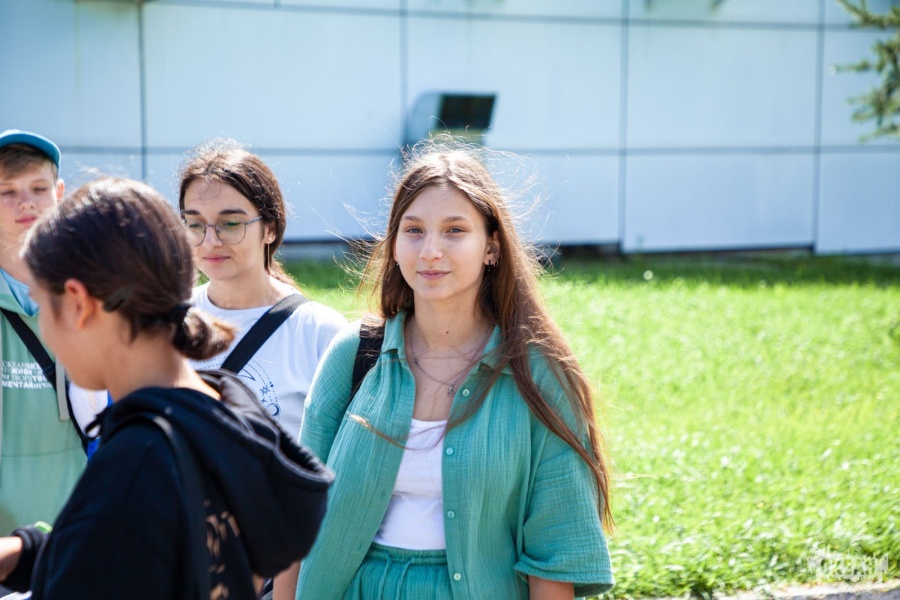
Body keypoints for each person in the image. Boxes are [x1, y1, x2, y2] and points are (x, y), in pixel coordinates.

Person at [293, 140, 615, 599]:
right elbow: (295, 518)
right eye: (414, 230)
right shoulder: (354, 354)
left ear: (492, 247)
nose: (430, 251)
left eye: (455, 230)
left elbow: (557, 546)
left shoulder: (538, 372)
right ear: (394, 244)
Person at [0, 177, 333, 599]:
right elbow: (142, 548)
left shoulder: (135, 465)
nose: (44, 328)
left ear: (79, 304)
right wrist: (27, 551)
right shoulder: (224, 408)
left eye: (42, 305)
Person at [178, 140, 347, 441]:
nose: (210, 241)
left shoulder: (320, 332)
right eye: (195, 224)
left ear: (270, 228)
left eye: (230, 223)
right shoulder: (167, 320)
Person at [0, 130, 106, 538]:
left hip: (76, 525)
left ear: (59, 192)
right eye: (7, 191)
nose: (26, 202)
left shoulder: (90, 293)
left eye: (39, 188)